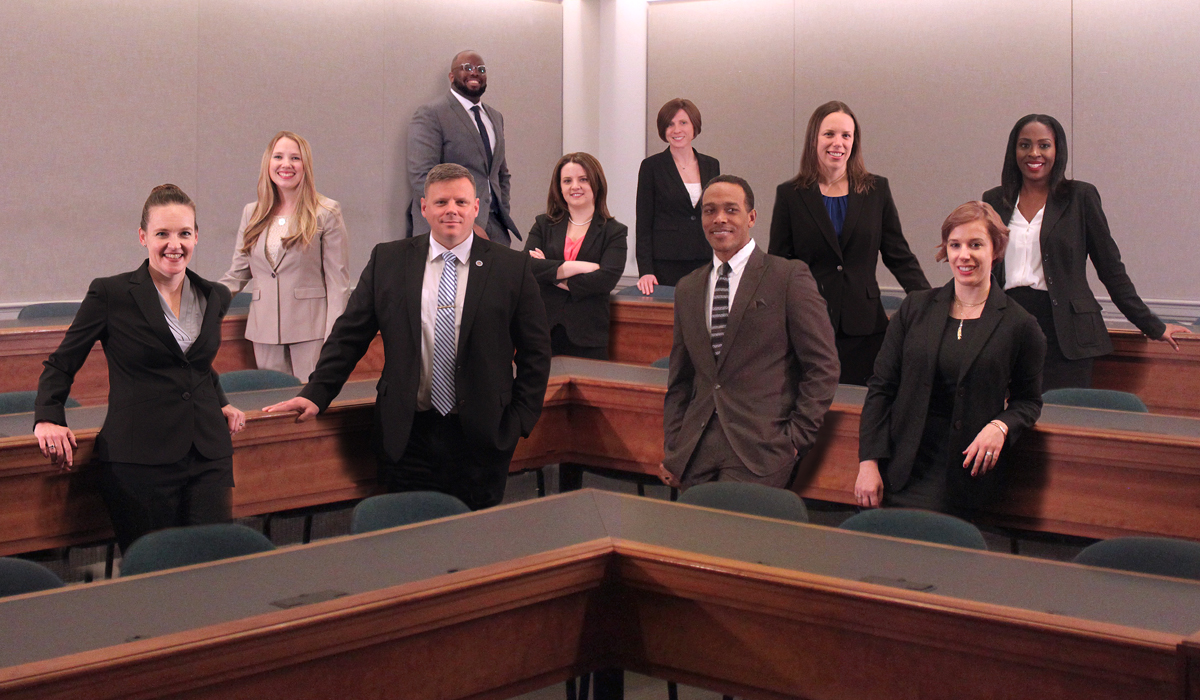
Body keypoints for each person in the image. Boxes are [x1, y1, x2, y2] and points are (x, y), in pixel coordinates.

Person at [264, 164, 551, 511]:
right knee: (409, 542)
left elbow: (536, 352)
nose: (452, 210)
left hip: (483, 437)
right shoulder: (389, 260)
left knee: (476, 548)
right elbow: (349, 336)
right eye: (441, 202)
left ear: (476, 208)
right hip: (407, 433)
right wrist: (316, 392)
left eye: (461, 202)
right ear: (424, 207)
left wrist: (519, 419)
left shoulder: (510, 268)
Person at [33, 184, 246, 552]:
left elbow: (195, 364)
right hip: (139, 461)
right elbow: (61, 363)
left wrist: (219, 401)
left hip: (208, 454)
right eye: (162, 234)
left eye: (183, 233)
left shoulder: (213, 295)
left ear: (196, 236)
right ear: (143, 236)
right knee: (155, 577)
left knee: (214, 569)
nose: (173, 244)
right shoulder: (110, 294)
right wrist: (48, 417)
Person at [856, 201, 1046, 514]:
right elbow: (882, 387)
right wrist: (868, 463)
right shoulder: (915, 308)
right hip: (899, 466)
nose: (964, 255)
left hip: (964, 474)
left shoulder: (1020, 325)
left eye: (975, 245)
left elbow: (1029, 402)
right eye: (955, 245)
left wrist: (1001, 425)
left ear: (996, 249)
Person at [983, 114, 1190, 390]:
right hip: (1008, 325)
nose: (1034, 153)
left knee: (1063, 421)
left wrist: (1154, 326)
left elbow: (1110, 269)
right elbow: (981, 269)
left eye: (1044, 145)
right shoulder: (994, 200)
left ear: (1058, 150)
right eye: (1025, 145)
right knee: (1011, 422)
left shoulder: (1080, 197)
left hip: (1066, 333)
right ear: (1014, 151)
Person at [659, 175, 840, 489]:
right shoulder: (688, 288)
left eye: (731, 210)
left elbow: (823, 366)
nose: (720, 219)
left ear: (751, 217)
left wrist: (795, 439)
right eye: (709, 211)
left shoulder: (787, 276)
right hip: (696, 449)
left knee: (739, 538)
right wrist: (675, 442)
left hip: (762, 449)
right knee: (689, 538)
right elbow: (680, 378)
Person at [769, 101, 930, 386]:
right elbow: (778, 264)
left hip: (865, 327)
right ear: (813, 139)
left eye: (846, 135)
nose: (838, 143)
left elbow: (898, 255)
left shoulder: (876, 190)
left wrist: (929, 302)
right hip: (808, 324)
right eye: (829, 134)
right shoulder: (790, 195)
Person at [219, 131, 350, 382]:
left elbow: (338, 283)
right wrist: (201, 302)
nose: (286, 164)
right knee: (274, 406)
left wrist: (334, 336)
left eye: (295, 158)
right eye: (278, 156)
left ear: (306, 165)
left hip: (311, 330)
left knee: (307, 402)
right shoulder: (252, 213)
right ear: (268, 163)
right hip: (264, 330)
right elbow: (237, 273)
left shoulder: (326, 212)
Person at [407, 50, 520, 247]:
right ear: (451, 76)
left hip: (494, 228)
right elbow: (422, 176)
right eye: (467, 68)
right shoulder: (432, 114)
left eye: (481, 69)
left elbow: (499, 174)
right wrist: (467, 223)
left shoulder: (495, 117)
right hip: (449, 229)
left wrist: (502, 210)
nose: (475, 73)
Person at [525, 153, 627, 360]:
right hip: (543, 332)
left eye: (583, 179)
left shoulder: (614, 231)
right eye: (567, 181)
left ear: (596, 183)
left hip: (588, 335)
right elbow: (527, 267)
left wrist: (550, 272)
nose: (575, 186)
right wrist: (581, 266)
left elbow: (605, 280)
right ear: (559, 187)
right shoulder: (543, 224)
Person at [635, 98, 720, 293]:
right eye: (670, 124)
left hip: (704, 259)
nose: (676, 130)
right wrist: (645, 270)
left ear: (694, 126)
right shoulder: (651, 167)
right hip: (665, 263)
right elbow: (644, 223)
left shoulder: (711, 165)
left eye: (683, 123)